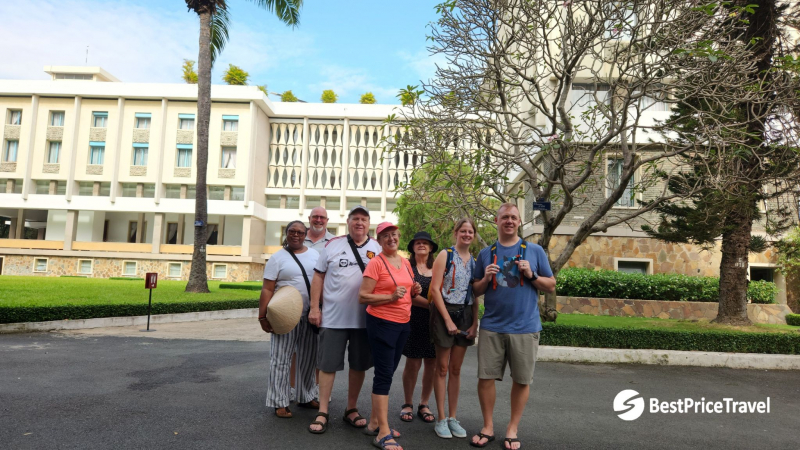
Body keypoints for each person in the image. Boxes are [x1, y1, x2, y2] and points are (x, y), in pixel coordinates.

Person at [470, 203, 556, 450]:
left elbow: (550, 285)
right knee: (485, 378)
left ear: (520, 222)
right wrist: (485, 278)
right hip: (492, 326)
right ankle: (488, 426)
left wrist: (531, 275)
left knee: (521, 380)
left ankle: (512, 428)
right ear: (496, 221)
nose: (509, 221)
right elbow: (475, 290)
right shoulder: (486, 253)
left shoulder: (535, 251)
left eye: (513, 217)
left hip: (525, 327)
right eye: (504, 217)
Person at [307, 205, 382, 434]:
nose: (359, 223)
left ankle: (351, 408)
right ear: (348, 222)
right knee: (327, 366)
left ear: (369, 225)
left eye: (364, 219)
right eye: (355, 218)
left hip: (364, 320)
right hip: (333, 318)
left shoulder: (377, 248)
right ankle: (323, 411)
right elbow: (318, 277)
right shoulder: (333, 245)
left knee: (358, 365)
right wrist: (314, 308)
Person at [359, 222, 421, 450]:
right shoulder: (375, 263)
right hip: (382, 323)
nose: (391, 239)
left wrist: (415, 291)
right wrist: (390, 297)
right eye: (385, 236)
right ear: (379, 240)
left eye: (394, 235)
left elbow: (408, 291)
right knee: (383, 375)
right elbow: (363, 296)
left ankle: (375, 422)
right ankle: (382, 433)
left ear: (399, 236)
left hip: (403, 323)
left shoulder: (405, 262)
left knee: (388, 372)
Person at [259, 220, 320, 418]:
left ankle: (305, 395)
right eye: (292, 231)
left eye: (300, 232)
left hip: (309, 314)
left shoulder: (315, 255)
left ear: (306, 234)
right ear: (286, 234)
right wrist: (262, 316)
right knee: (280, 359)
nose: (296, 235)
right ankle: (279, 401)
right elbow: (268, 288)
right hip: (284, 315)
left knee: (308, 359)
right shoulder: (277, 258)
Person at [428, 219, 479, 439]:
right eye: (463, 231)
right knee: (442, 368)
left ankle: (452, 417)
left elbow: (475, 294)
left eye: (470, 231)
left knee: (456, 369)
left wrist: (475, 322)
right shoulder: (445, 255)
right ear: (455, 233)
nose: (466, 235)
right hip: (445, 312)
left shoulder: (475, 262)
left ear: (474, 235)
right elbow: (435, 289)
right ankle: (440, 418)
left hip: (466, 314)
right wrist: (447, 319)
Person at [399, 232, 438, 425]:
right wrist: (433, 305)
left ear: (431, 248)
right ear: (412, 247)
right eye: (418, 243)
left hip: (434, 323)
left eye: (425, 243)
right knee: (413, 363)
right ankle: (407, 403)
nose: (421, 245)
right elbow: (408, 296)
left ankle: (424, 403)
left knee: (431, 363)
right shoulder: (406, 267)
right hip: (413, 320)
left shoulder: (439, 267)